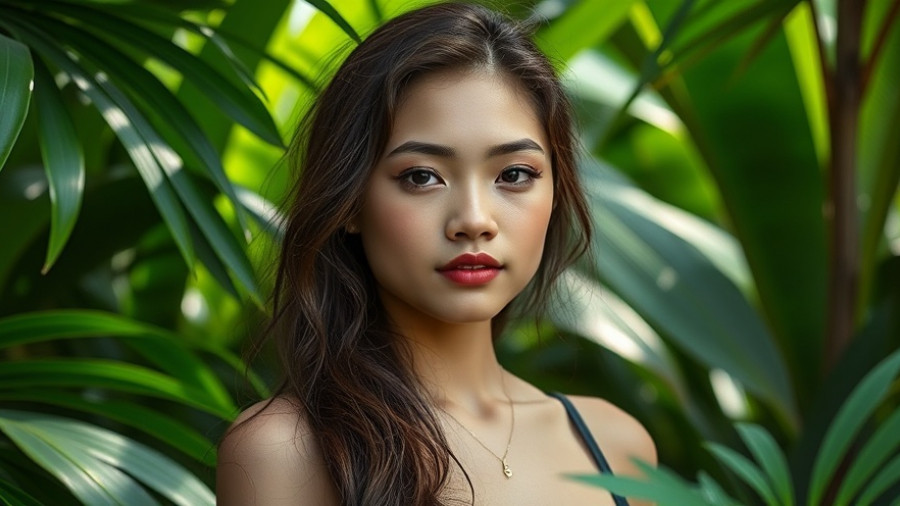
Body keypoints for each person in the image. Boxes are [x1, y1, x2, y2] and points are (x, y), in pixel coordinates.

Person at [216, 3, 656, 505]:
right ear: (350, 202)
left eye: (514, 174)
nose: (474, 219)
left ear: (556, 191)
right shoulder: (284, 452)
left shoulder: (616, 448)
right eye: (422, 176)